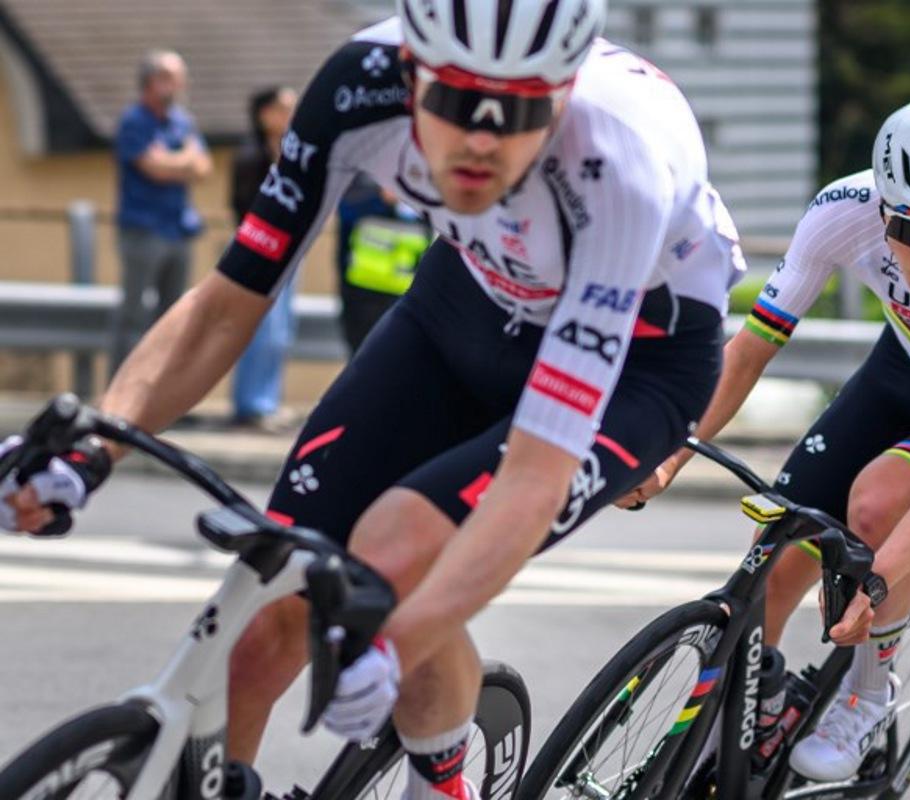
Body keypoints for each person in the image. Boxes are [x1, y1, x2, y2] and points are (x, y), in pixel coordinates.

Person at [0, 2, 744, 798]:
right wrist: (97, 444)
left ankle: (446, 782)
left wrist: (395, 641)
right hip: (468, 295)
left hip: (642, 352)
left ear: (564, 93)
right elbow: (226, 305)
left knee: (392, 555)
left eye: (520, 110)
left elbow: (532, 477)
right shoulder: (359, 84)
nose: (480, 140)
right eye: (456, 101)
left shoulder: (619, 164)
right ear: (410, 73)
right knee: (267, 611)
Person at [622, 98, 910, 782]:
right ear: (881, 206)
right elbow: (748, 352)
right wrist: (671, 451)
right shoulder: (842, 211)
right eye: (909, 226)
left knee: (874, 509)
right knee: (777, 550)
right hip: (905, 363)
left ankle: (869, 695)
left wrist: (881, 574)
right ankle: (757, 707)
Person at [110, 49, 212, 375]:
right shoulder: (134, 121)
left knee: (172, 318)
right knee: (134, 314)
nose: (179, 85)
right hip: (143, 229)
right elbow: (153, 168)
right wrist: (184, 159)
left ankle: (156, 390)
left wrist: (174, 162)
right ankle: (119, 394)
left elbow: (203, 167)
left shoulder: (183, 121)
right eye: (171, 78)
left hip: (177, 229)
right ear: (152, 82)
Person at [229, 86, 300, 430]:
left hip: (289, 248)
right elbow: (243, 205)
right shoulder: (250, 155)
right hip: (259, 248)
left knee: (281, 331)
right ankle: (250, 405)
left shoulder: (294, 152)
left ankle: (268, 401)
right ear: (265, 114)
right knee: (261, 329)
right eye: (283, 108)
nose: (291, 114)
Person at [336, 174, 431, 354]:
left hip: (417, 293)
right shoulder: (363, 161)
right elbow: (344, 207)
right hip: (364, 294)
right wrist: (381, 197)